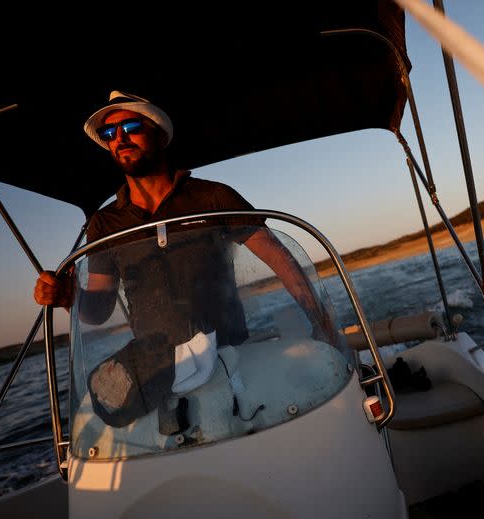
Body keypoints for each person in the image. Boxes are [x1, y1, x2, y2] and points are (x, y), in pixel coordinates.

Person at [33, 91, 337, 427]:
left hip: (231, 359)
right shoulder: (105, 224)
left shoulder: (212, 196)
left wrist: (321, 321)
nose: (119, 138)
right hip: (159, 376)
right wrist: (67, 298)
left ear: (160, 135)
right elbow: (99, 308)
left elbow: (279, 258)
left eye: (130, 126)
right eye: (109, 134)